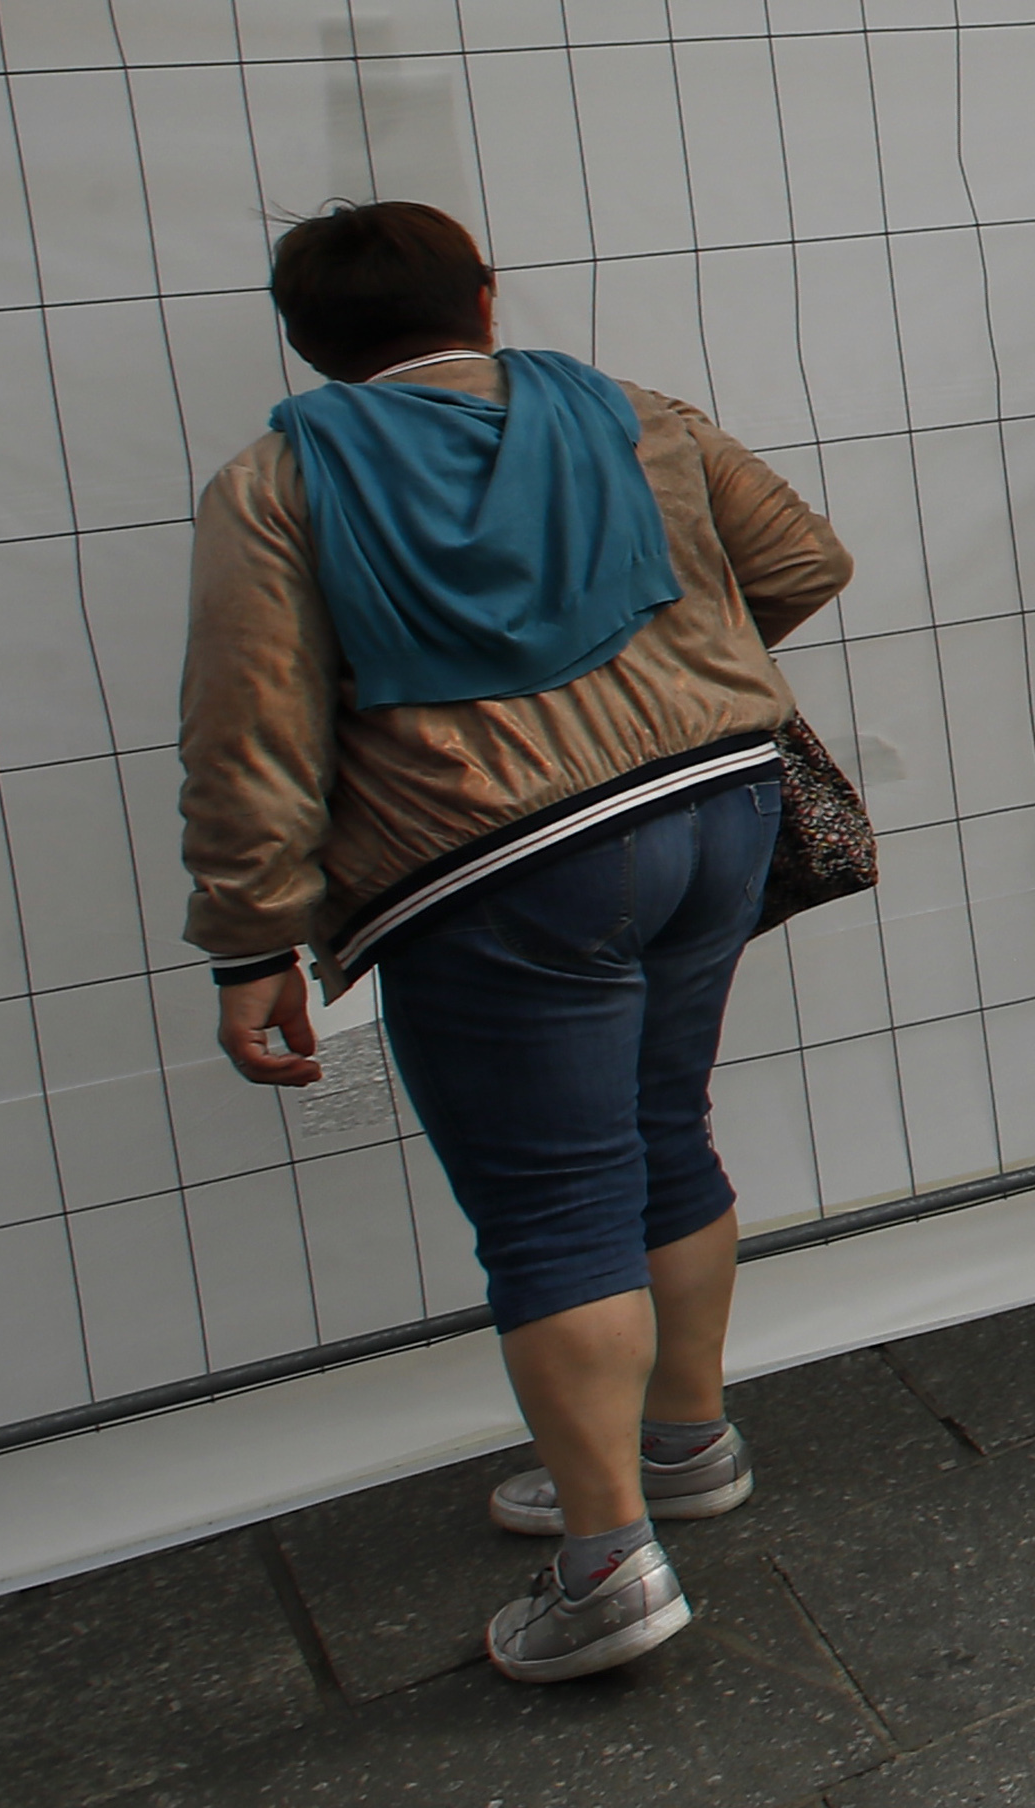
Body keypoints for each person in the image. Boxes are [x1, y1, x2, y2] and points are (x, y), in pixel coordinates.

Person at [180, 203, 849, 1685]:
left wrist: (251, 940)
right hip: (714, 813)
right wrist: (685, 677)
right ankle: (682, 1441)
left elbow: (252, 733)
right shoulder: (627, 412)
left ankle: (608, 1564)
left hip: (500, 866)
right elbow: (801, 555)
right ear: (484, 301)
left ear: (309, 339)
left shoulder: (275, 481)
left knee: (553, 1206)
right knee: (662, 1125)